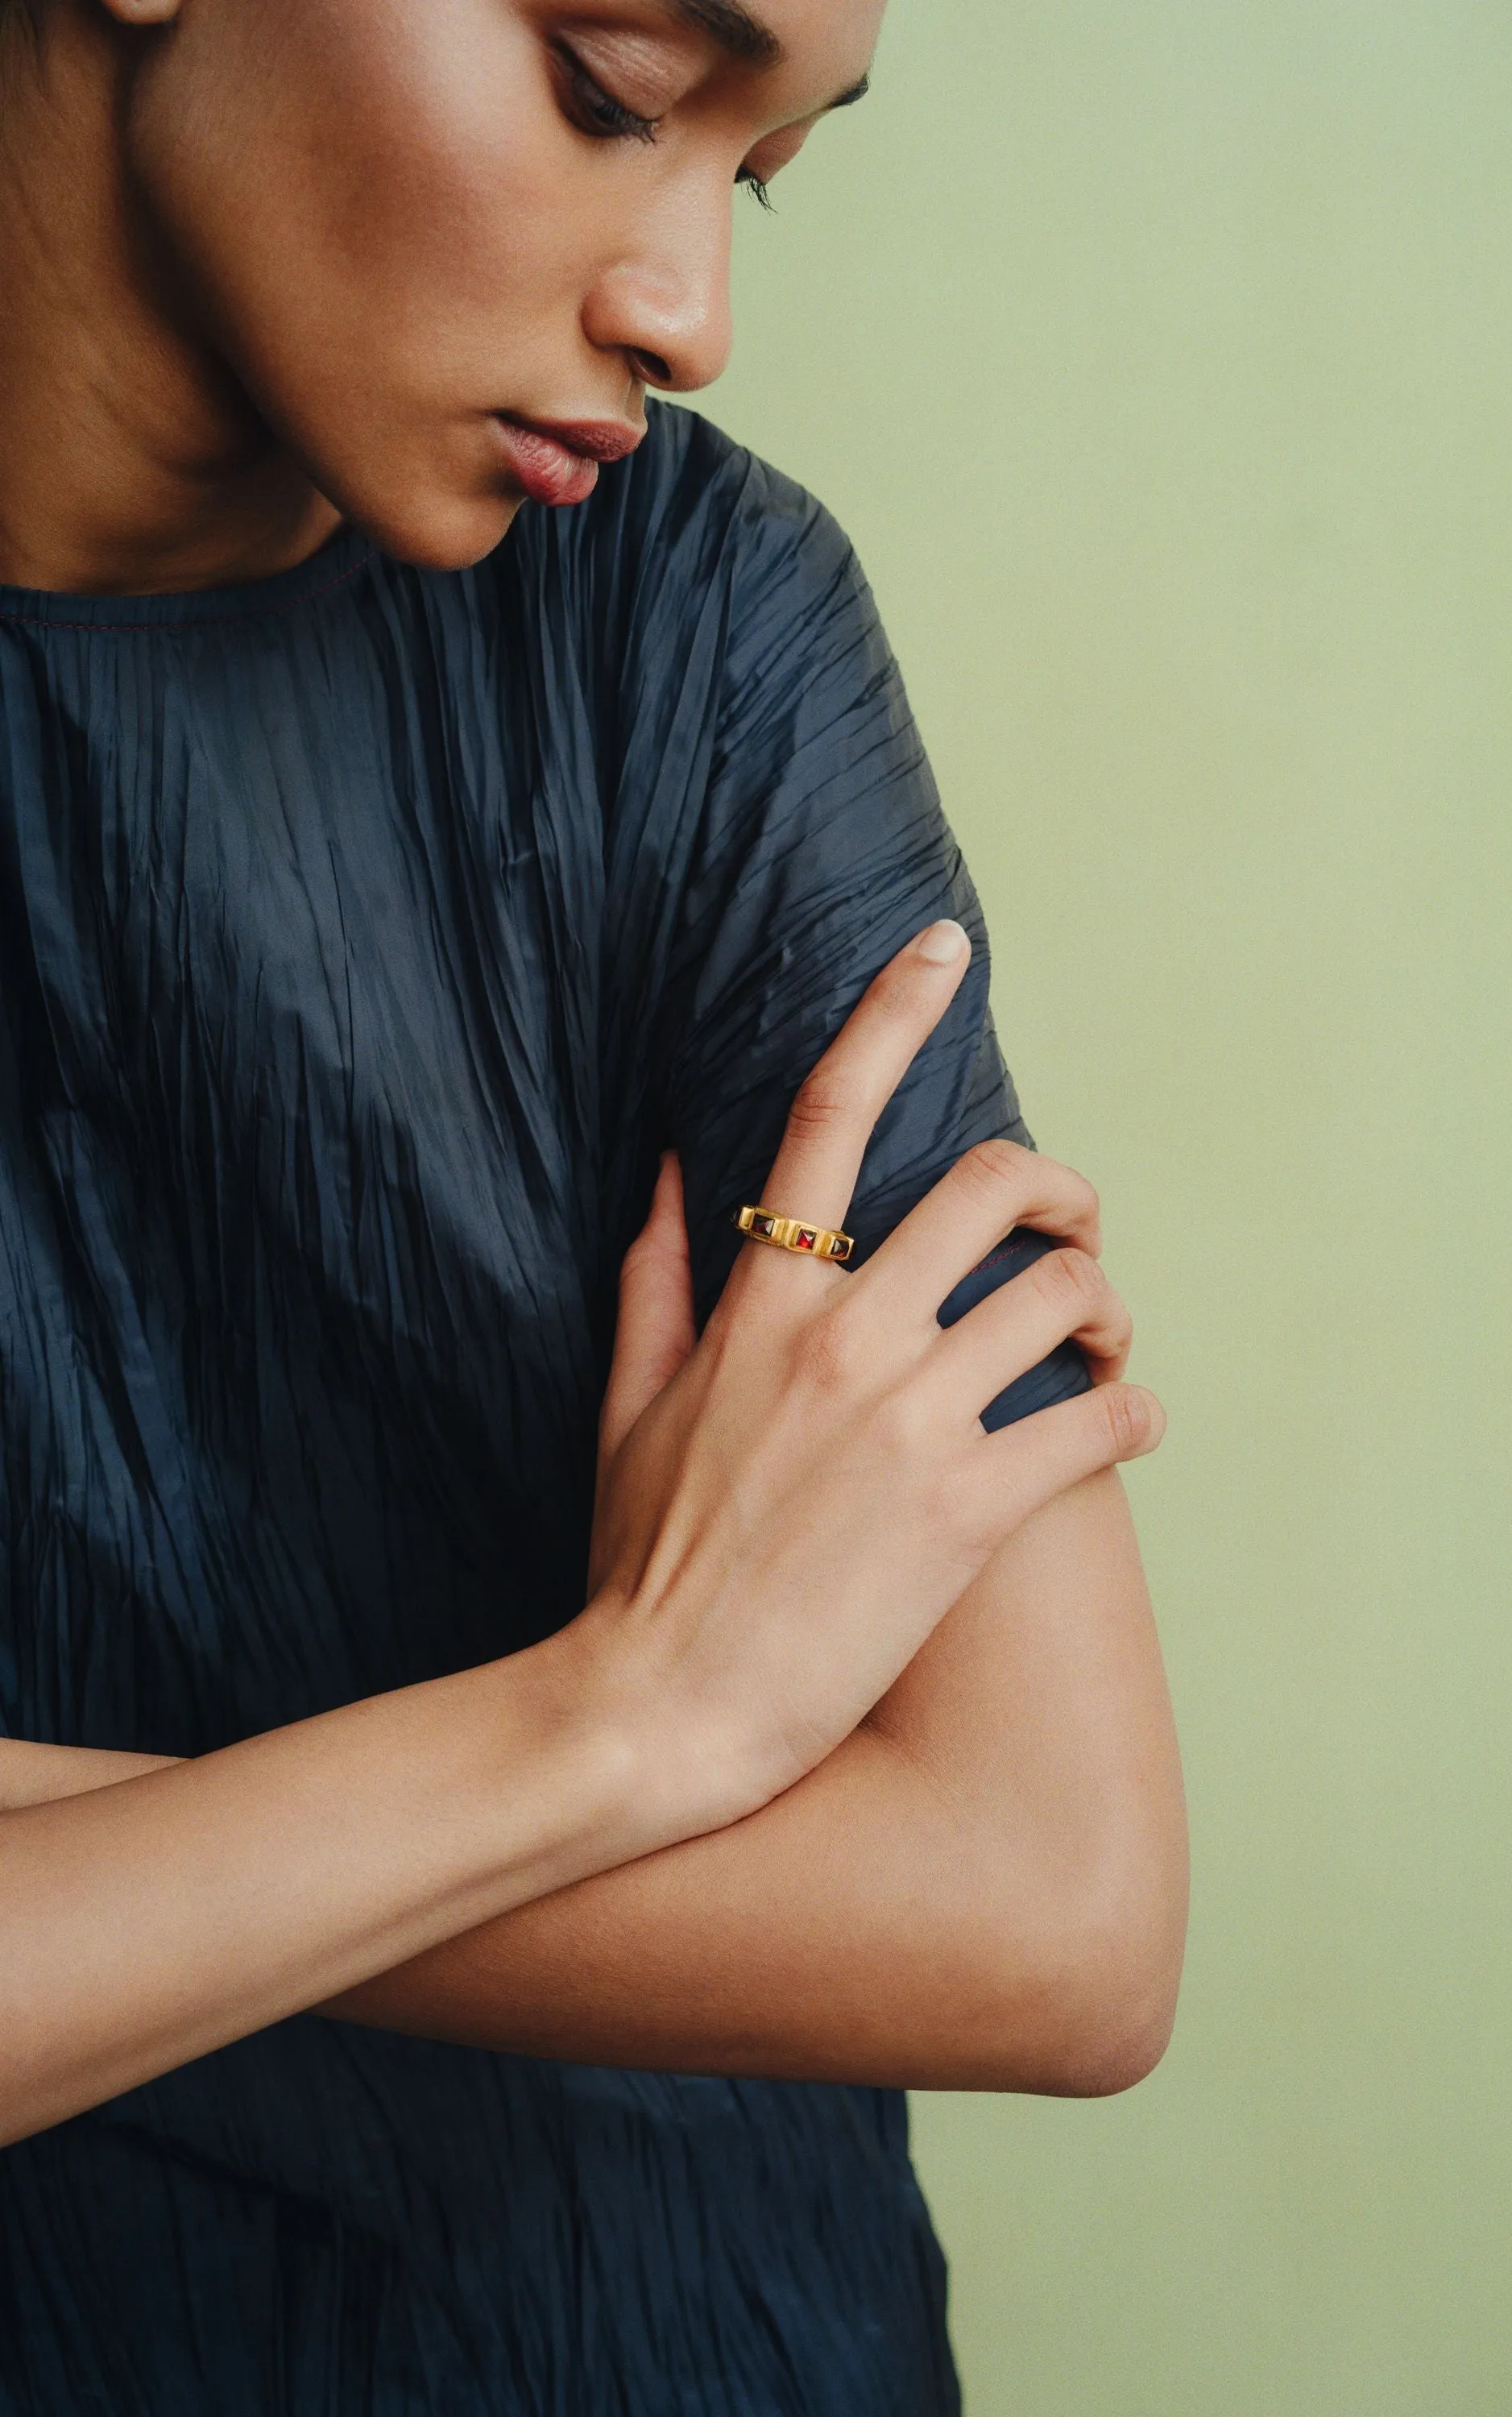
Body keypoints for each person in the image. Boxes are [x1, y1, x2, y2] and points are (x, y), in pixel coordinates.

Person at [0, 0, 1188, 2408]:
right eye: (613, 89)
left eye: (754, 174)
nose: (689, 313)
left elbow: (1057, 1919)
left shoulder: (698, 631)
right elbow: (867, 1830)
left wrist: (70, 1871)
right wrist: (631, 1721)